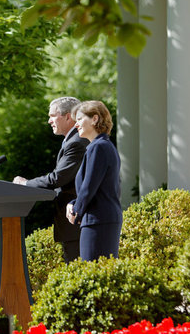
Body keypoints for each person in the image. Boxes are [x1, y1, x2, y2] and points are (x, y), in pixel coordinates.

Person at [13, 97, 89, 263]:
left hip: (76, 221)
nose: (49, 121)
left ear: (68, 116)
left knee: (78, 273)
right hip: (72, 222)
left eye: (53, 116)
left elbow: (57, 178)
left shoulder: (76, 142)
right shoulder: (72, 140)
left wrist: (24, 184)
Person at [66, 100, 122, 261]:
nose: (76, 125)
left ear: (95, 119)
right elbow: (97, 187)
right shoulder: (102, 146)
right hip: (101, 219)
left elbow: (89, 187)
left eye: (79, 119)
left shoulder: (98, 147)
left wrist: (75, 211)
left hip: (98, 221)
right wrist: (73, 203)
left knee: (94, 273)